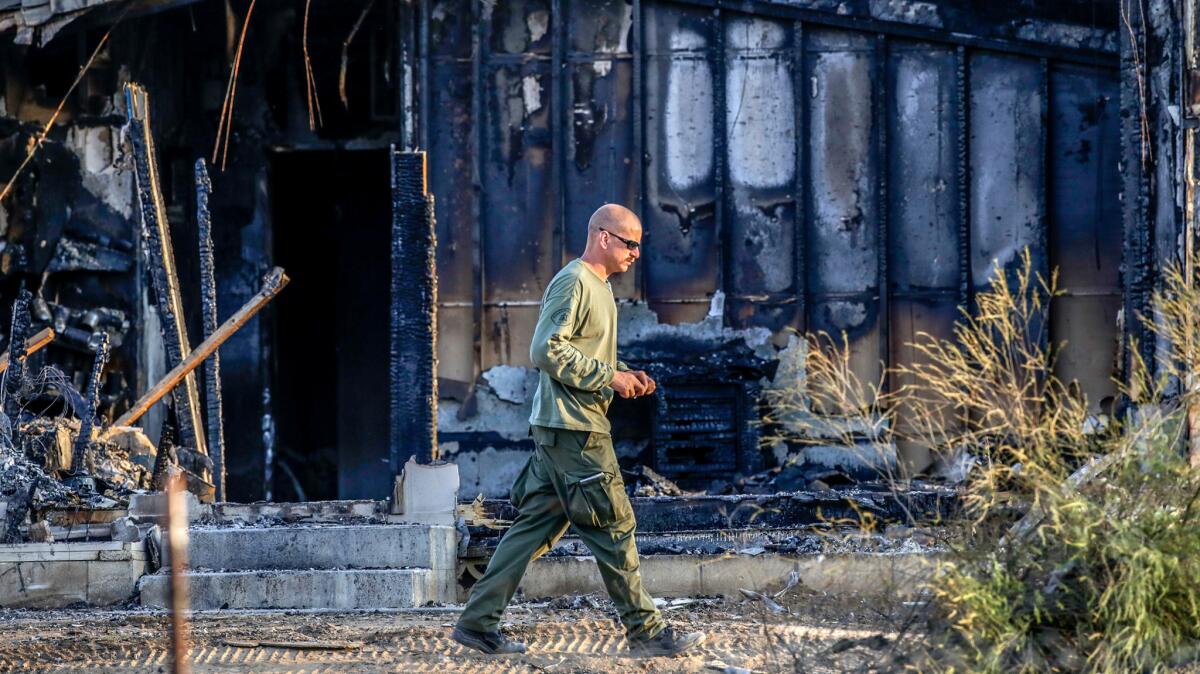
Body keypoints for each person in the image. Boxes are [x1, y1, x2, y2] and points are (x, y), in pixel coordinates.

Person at [451, 204, 706, 657]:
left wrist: (625, 374)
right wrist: (609, 378)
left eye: (638, 246)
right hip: (576, 429)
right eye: (630, 244)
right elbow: (545, 350)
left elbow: (585, 354)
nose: (635, 254)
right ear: (604, 237)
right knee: (614, 525)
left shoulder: (601, 288)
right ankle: (647, 633)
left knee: (532, 528)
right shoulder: (575, 281)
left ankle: (477, 622)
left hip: (564, 427)